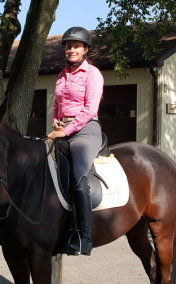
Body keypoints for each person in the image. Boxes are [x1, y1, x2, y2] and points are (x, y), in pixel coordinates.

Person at [48, 26, 104, 256]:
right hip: (64, 129)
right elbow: (56, 106)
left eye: (76, 46)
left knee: (77, 176)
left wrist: (68, 129)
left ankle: (84, 236)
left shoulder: (93, 74)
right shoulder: (61, 75)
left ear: (85, 49)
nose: (71, 49)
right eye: (68, 46)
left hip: (86, 130)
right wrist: (55, 122)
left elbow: (90, 109)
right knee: (50, 176)